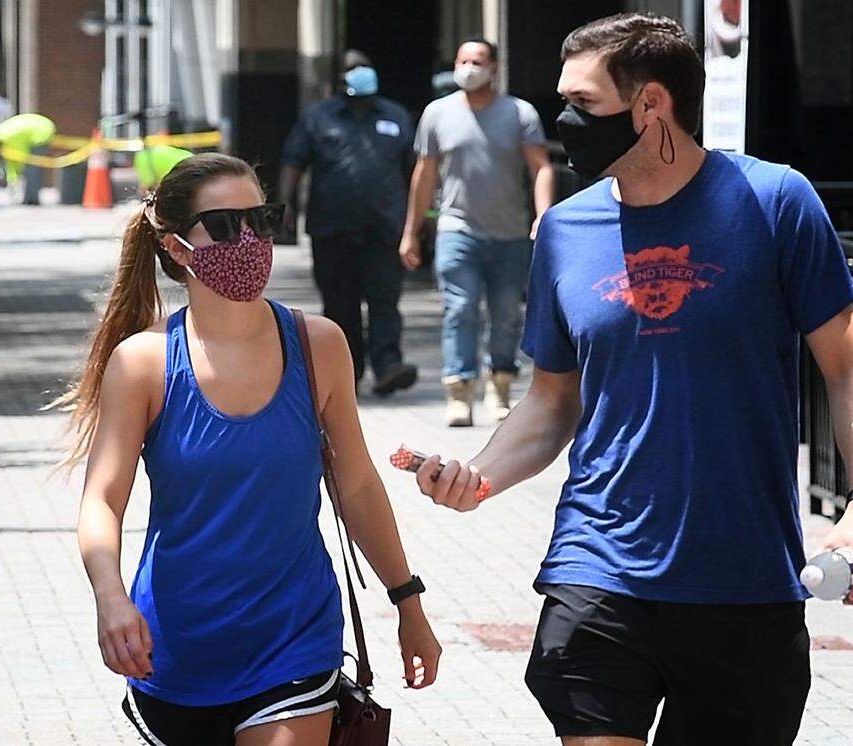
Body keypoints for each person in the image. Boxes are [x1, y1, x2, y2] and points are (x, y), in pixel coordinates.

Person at [410, 14, 853, 745]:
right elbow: (552, 400)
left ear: (651, 105)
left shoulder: (775, 202)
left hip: (743, 574)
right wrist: (478, 476)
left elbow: (850, 365)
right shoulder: (564, 231)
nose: (566, 121)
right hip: (597, 561)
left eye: (583, 103)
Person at [54, 153, 440, 745]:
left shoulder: (318, 345)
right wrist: (110, 598)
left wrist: (408, 604)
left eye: (261, 220)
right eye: (226, 225)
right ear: (177, 247)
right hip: (173, 648)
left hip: (294, 640)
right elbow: (102, 500)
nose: (250, 240)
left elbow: (358, 486)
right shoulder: (143, 363)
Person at [400, 37, 555, 427]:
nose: (469, 68)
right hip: (457, 229)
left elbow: (541, 167)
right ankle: (459, 390)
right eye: (463, 60)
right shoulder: (437, 113)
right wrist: (411, 231)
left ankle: (500, 383)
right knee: (460, 308)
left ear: (494, 68)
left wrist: (544, 216)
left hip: (509, 233)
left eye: (478, 61)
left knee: (506, 314)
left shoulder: (520, 113)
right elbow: (424, 174)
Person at [279, 50, 418, 397]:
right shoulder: (318, 118)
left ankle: (388, 366)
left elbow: (416, 170)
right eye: (353, 69)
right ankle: (348, 372)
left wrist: (420, 219)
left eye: (364, 67)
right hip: (332, 229)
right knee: (340, 304)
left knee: (385, 300)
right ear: (340, 78)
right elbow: (293, 161)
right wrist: (285, 205)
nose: (360, 73)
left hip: (384, 228)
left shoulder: (396, 116)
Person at [0, 112, 55, 205]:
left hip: (41, 133)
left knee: (32, 168)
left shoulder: (7, 138)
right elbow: (13, 162)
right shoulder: (2, 132)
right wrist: (13, 177)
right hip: (41, 127)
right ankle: (30, 198)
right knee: (31, 168)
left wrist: (14, 178)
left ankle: (31, 200)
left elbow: (21, 157)